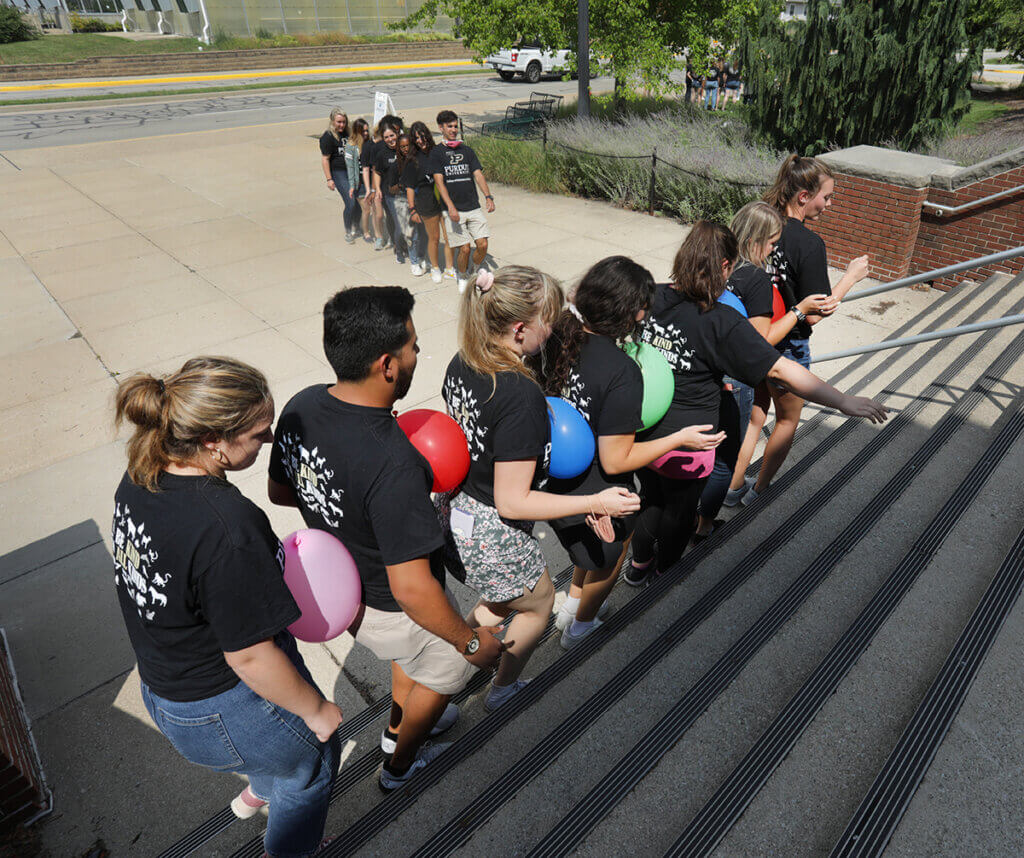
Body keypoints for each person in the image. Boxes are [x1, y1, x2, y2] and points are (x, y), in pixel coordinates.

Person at [268, 287, 504, 793]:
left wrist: (340, 512)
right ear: (386, 364)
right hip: (392, 607)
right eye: (413, 346)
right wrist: (471, 643)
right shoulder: (394, 463)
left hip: (346, 593)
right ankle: (399, 766)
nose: (418, 354)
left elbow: (279, 489)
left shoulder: (302, 406)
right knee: (447, 673)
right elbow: (413, 591)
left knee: (410, 662)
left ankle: (402, 726)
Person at [112, 357, 341, 858]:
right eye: (260, 434)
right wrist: (317, 709)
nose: (268, 441)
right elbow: (251, 657)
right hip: (221, 706)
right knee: (313, 763)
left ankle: (259, 786)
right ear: (214, 440)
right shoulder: (228, 527)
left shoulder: (141, 474)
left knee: (282, 757)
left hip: (166, 687)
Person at [627, 222, 887, 583]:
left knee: (651, 498)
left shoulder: (649, 296)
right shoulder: (722, 321)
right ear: (724, 267)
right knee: (680, 511)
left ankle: (638, 565)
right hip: (689, 441)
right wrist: (842, 400)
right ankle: (664, 574)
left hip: (641, 429)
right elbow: (782, 370)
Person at [439, 266, 641, 705]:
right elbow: (513, 501)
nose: (551, 330)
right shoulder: (518, 394)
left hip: (459, 508)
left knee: (500, 598)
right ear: (517, 329)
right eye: (546, 320)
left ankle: (443, 674)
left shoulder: (464, 361)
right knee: (538, 604)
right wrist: (596, 499)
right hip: (493, 525)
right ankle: (501, 689)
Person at [537, 257, 724, 646]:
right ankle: (581, 627)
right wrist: (680, 437)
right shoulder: (622, 371)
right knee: (612, 556)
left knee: (585, 553)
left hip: (555, 477)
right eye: (641, 306)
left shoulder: (557, 335)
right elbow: (616, 459)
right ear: (626, 311)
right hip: (598, 490)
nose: (644, 313)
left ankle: (572, 604)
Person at [737, 155, 872, 505]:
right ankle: (759, 491)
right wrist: (850, 278)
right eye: (826, 197)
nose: (829, 205)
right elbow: (815, 312)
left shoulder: (761, 223)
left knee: (755, 416)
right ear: (802, 196)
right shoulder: (809, 244)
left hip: (755, 335)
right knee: (785, 420)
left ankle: (733, 487)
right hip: (788, 348)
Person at [695, 201, 832, 537]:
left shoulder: (721, 268)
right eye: (772, 242)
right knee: (723, 462)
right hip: (736, 379)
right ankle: (704, 525)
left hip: (707, 369)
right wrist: (799, 310)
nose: (775, 249)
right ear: (756, 240)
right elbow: (761, 340)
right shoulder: (754, 278)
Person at [430, 109, 496, 293]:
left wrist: (488, 197)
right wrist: (450, 207)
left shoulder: (467, 150)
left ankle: (474, 269)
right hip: (453, 209)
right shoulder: (437, 153)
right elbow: (439, 182)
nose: (453, 129)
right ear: (441, 128)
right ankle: (462, 275)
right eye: (449, 126)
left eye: (455, 126)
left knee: (482, 244)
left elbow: (478, 174)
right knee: (465, 249)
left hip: (473, 206)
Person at [405, 120, 447, 284]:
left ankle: (450, 268)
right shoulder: (413, 160)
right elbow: (409, 187)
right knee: (434, 237)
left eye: (422, 136)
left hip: (443, 200)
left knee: (449, 236)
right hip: (426, 201)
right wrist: (413, 210)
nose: (420, 141)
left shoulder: (437, 152)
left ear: (427, 135)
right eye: (416, 138)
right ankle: (435, 268)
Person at [321, 108, 361, 244]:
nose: (341, 125)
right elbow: (325, 159)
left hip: (353, 170)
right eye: (338, 122)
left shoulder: (349, 133)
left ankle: (357, 224)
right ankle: (348, 230)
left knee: (359, 200)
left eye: (344, 122)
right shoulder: (327, 137)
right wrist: (329, 179)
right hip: (339, 173)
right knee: (350, 201)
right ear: (332, 121)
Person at [392, 131, 427, 277]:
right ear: (399, 149)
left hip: (420, 198)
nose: (405, 149)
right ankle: (413, 261)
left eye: (408, 146)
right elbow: (391, 188)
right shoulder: (396, 165)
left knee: (422, 232)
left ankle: (420, 256)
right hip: (402, 200)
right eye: (402, 147)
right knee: (409, 233)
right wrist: (403, 185)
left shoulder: (419, 160)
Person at [349, 118, 374, 243]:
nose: (365, 133)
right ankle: (366, 232)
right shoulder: (351, 147)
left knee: (369, 208)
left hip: (370, 180)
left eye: (366, 130)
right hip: (359, 183)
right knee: (366, 208)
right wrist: (353, 183)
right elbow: (350, 167)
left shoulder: (369, 144)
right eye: (362, 131)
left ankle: (357, 225)